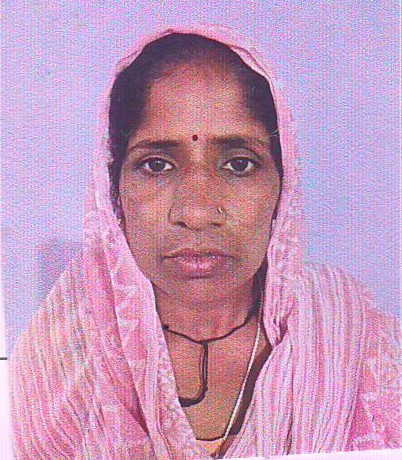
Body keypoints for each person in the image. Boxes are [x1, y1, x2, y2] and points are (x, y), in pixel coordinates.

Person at [10, 27, 401, 459]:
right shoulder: (65, 353)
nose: (197, 212)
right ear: (113, 191)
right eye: (156, 165)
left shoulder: (350, 335)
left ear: (282, 185)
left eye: (239, 164)